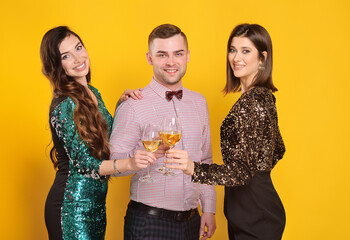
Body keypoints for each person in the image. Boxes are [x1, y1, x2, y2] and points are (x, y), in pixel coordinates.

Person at [166, 23, 286, 240]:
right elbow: (278, 149)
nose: (236, 58)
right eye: (233, 50)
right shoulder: (263, 96)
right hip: (254, 208)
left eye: (246, 51)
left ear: (262, 58)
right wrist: (257, 171)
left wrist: (193, 168)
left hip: (254, 213)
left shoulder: (253, 101)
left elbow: (242, 172)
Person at [41, 26, 155, 240]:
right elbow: (86, 165)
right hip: (70, 209)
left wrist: (123, 106)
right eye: (66, 56)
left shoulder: (92, 93)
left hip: (95, 207)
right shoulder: (64, 105)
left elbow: (106, 139)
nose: (78, 58)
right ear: (57, 65)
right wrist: (130, 163)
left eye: (78, 47)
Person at [109, 24, 217, 240]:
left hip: (191, 221)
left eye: (178, 53)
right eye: (162, 55)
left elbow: (205, 159)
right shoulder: (133, 105)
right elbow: (113, 164)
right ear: (149, 58)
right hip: (148, 223)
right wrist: (138, 158)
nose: (171, 62)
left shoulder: (199, 102)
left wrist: (209, 208)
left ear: (188, 56)